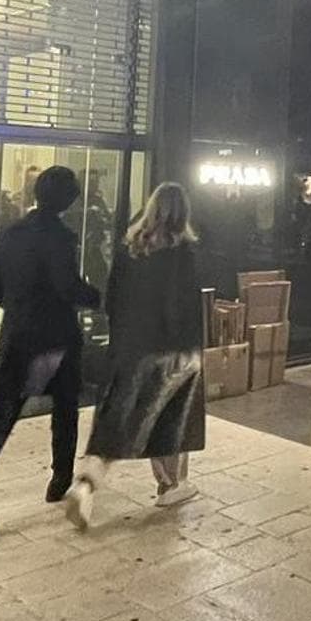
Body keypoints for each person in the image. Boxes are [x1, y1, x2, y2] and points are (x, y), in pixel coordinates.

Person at [0, 166, 103, 542]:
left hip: (16, 336)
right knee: (65, 408)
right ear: (67, 199)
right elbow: (67, 286)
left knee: (0, 419)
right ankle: (60, 477)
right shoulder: (59, 236)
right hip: (54, 336)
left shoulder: (11, 231)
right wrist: (97, 298)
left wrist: (19, 306)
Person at [66, 181, 206, 522]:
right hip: (171, 351)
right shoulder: (183, 252)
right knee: (170, 421)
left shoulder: (129, 249)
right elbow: (183, 305)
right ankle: (170, 484)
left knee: (116, 424)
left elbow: (111, 300)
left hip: (128, 348)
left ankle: (86, 484)